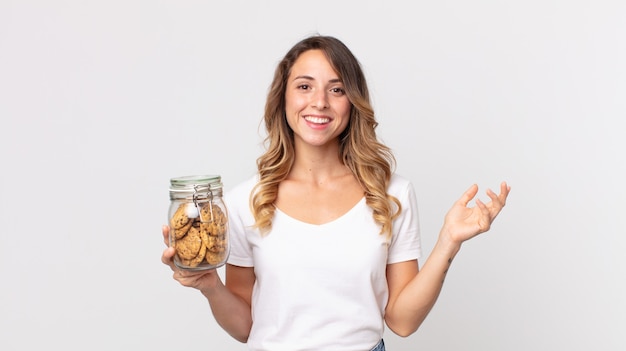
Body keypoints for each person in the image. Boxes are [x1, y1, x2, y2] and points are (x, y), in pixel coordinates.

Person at [161, 34, 510, 351]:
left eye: (337, 89)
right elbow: (244, 326)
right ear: (283, 99)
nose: (320, 102)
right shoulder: (244, 200)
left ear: (352, 102)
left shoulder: (392, 194)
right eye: (304, 87)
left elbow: (403, 322)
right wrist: (209, 285)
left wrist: (448, 242)